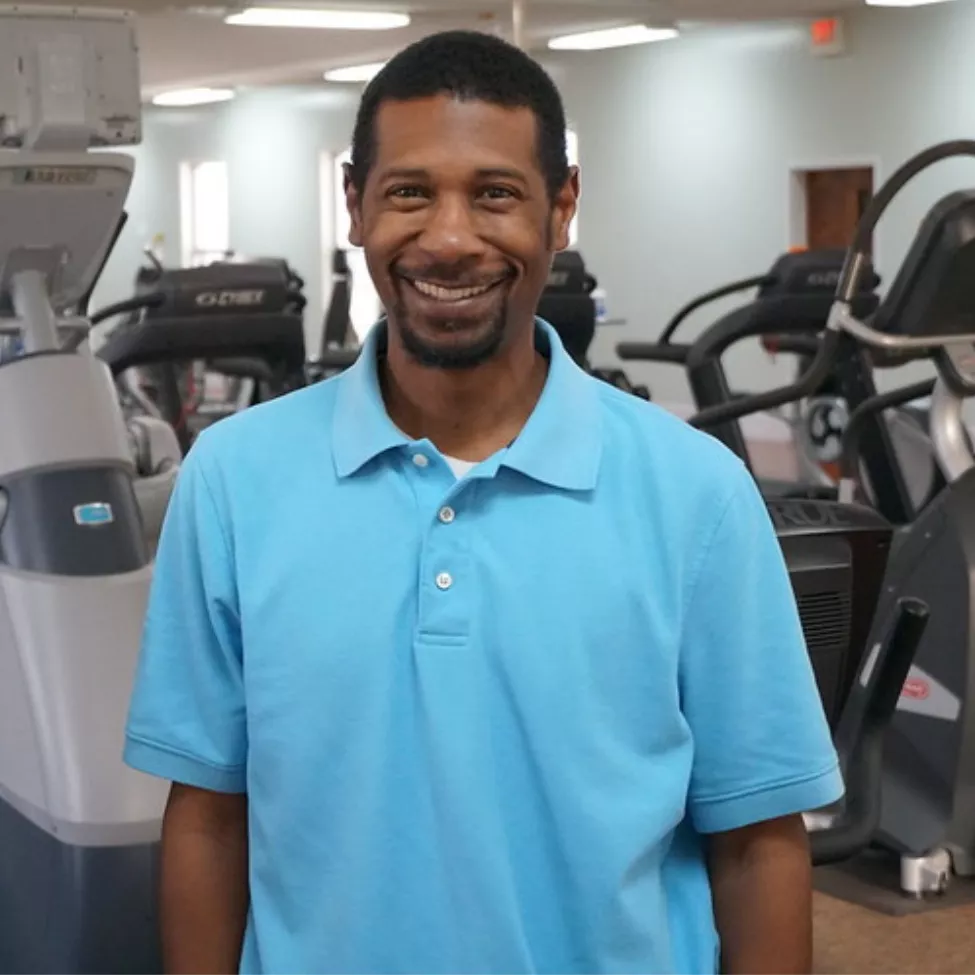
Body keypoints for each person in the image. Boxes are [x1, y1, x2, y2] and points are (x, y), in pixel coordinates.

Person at [123, 29, 843, 975]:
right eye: (409, 192)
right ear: (354, 205)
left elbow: (756, 835)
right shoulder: (231, 479)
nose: (450, 237)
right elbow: (210, 816)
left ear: (562, 209)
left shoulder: (695, 492)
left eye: (495, 193)